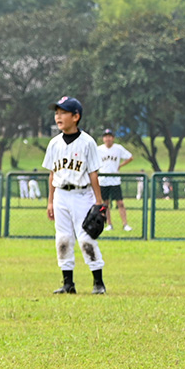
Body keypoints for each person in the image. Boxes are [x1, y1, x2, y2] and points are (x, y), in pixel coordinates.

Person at [42, 96, 106, 295]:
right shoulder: (54, 143)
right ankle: (68, 283)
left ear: (76, 116)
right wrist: (50, 201)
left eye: (63, 112)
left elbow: (93, 173)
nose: (58, 116)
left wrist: (99, 202)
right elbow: (52, 174)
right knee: (63, 239)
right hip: (61, 194)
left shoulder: (87, 142)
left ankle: (98, 282)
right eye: (56, 113)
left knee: (86, 238)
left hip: (82, 194)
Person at [96, 128, 134, 232]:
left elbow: (130, 157)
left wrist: (120, 165)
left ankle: (125, 224)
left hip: (115, 180)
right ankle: (108, 224)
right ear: (103, 138)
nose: (108, 139)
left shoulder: (118, 148)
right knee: (105, 204)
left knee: (120, 203)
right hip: (103, 180)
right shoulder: (99, 150)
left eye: (110, 136)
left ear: (113, 138)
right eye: (106, 137)